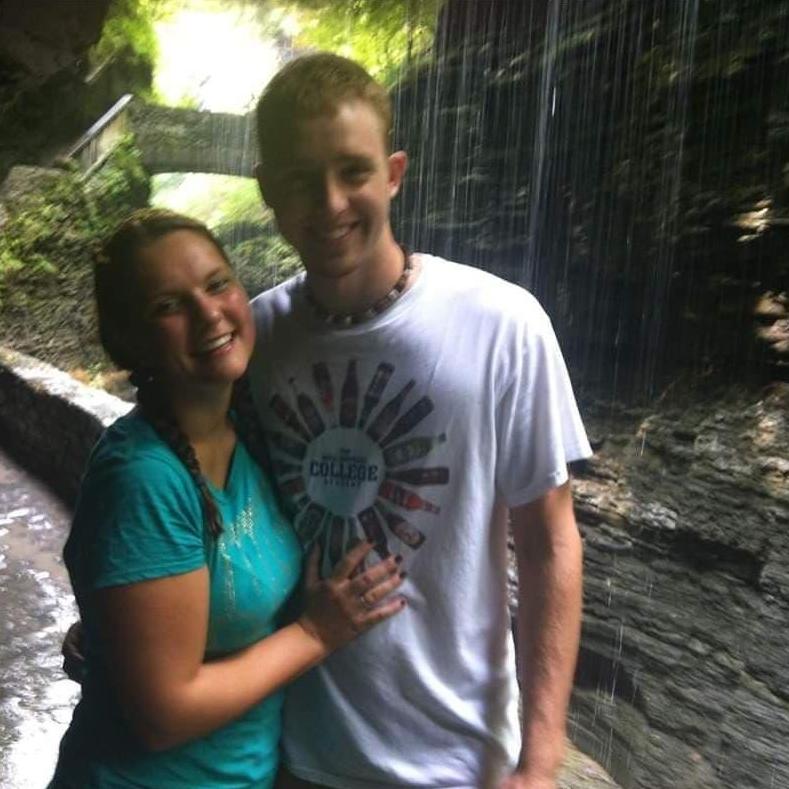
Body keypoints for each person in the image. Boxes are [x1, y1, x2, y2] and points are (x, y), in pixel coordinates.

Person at [249, 53, 592, 789]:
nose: (332, 202)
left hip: (458, 763)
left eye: (353, 171)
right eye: (302, 182)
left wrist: (539, 757)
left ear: (394, 173)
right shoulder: (255, 340)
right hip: (293, 756)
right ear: (269, 195)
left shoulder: (502, 325)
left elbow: (548, 543)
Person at [51, 209, 406, 788]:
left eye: (218, 285)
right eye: (169, 305)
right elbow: (164, 715)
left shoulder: (247, 429)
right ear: (128, 342)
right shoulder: (143, 478)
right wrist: (315, 633)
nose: (208, 314)